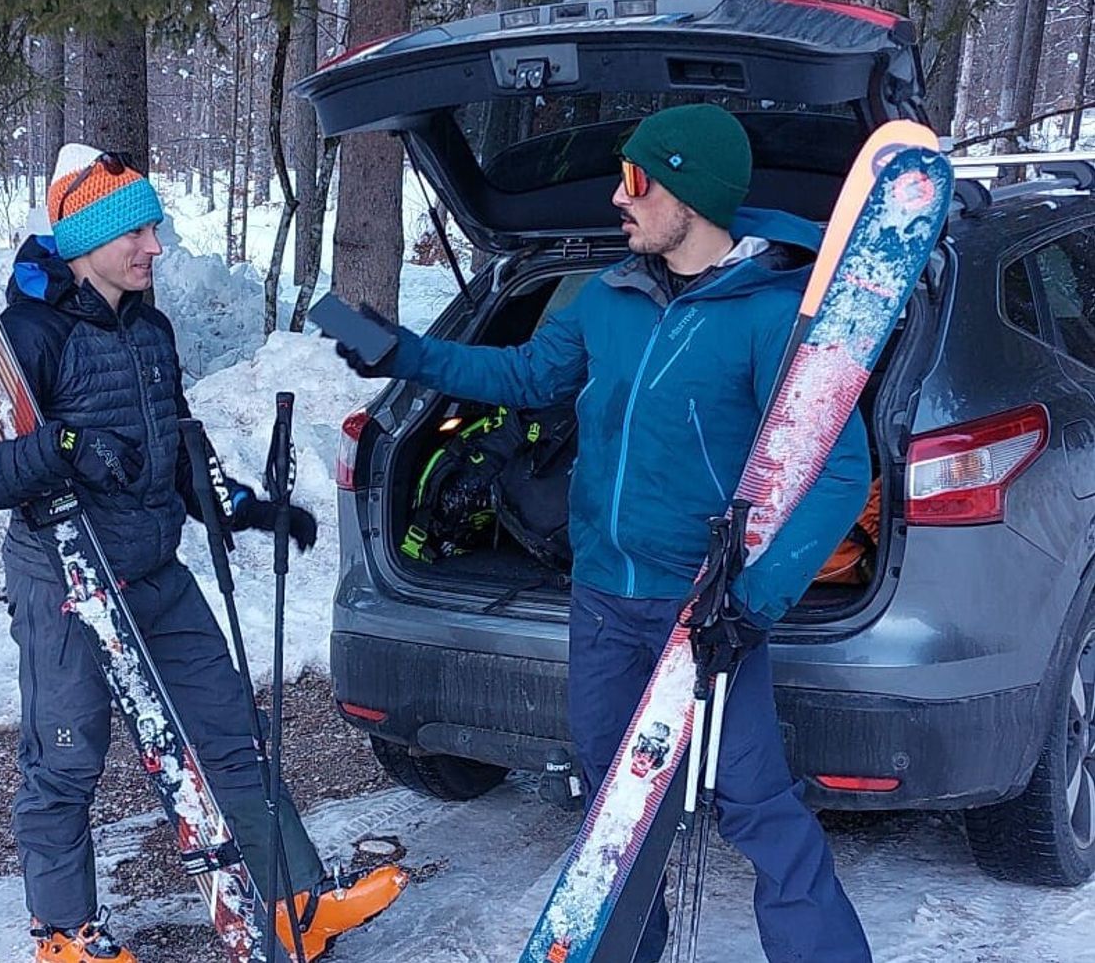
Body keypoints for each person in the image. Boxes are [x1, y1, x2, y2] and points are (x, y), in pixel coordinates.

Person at [335, 104, 873, 963]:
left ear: (687, 192)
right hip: (601, 599)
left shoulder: (772, 312)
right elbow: (527, 373)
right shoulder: (608, 294)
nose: (617, 199)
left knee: (757, 807)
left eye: (635, 180)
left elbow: (840, 470)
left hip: (702, 609)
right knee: (612, 810)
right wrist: (403, 352)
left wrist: (752, 601)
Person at [0, 143, 404, 963]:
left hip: (155, 570)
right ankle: (65, 936)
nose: (155, 247)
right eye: (138, 233)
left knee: (232, 733)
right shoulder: (25, 339)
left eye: (154, 229)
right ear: (86, 241)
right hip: (68, 580)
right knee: (65, 760)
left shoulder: (149, 328)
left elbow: (181, 445)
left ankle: (292, 902)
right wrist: (65, 446)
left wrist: (245, 508)